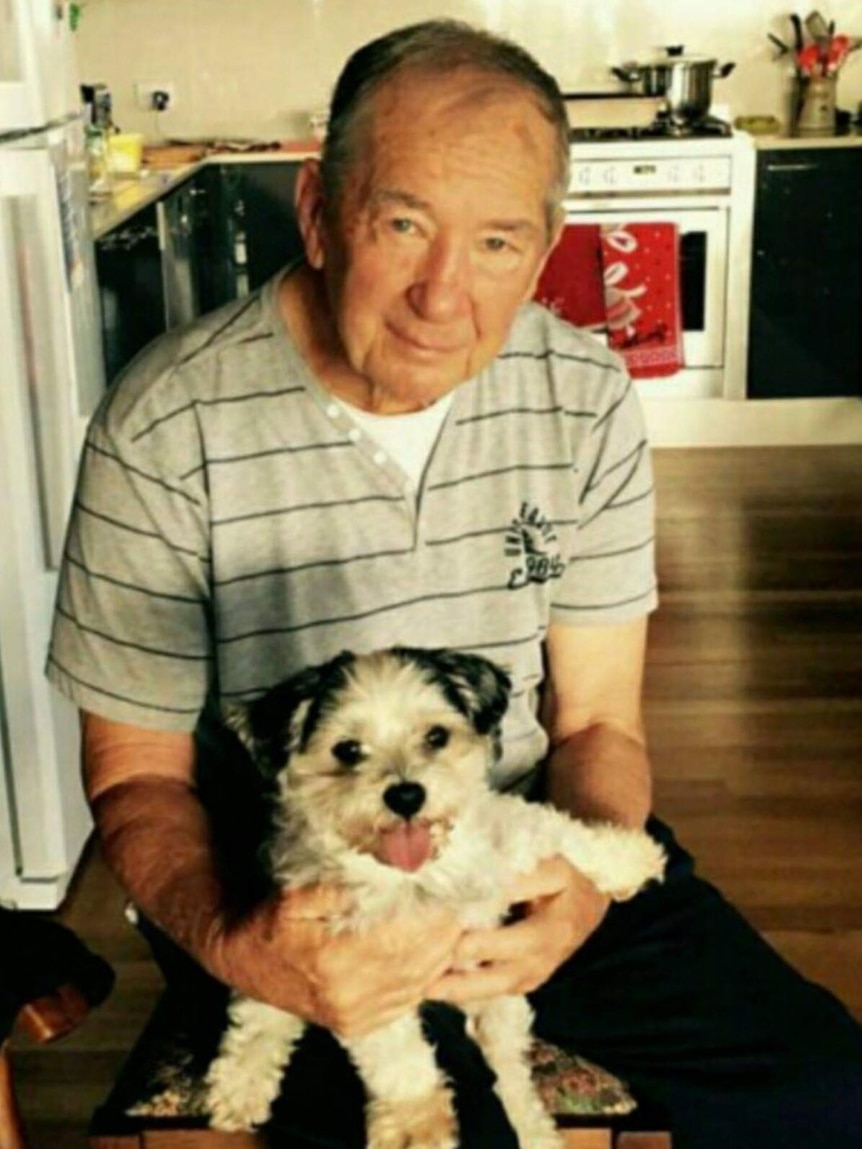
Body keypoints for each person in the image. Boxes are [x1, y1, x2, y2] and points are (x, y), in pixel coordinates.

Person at [48, 19, 862, 1149]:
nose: (444, 294)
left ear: (541, 252)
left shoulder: (579, 394)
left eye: (495, 243)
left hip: (519, 836)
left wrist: (579, 895)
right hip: (298, 886)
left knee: (831, 1094)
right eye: (404, 223)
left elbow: (596, 723)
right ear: (319, 215)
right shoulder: (164, 421)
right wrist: (244, 945)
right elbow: (135, 778)